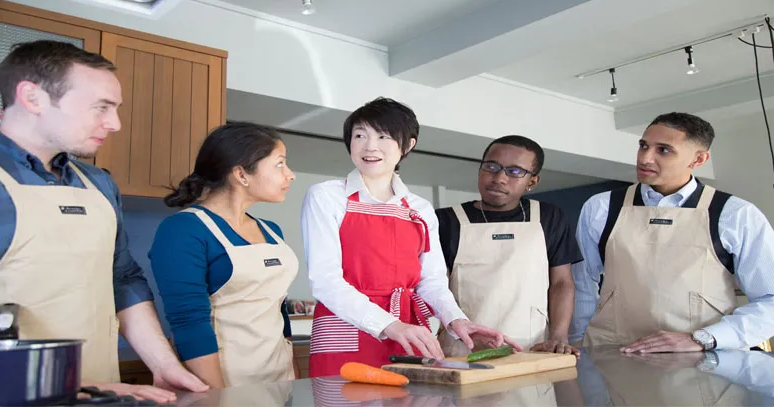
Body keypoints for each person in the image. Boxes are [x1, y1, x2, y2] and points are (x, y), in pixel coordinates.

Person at [0, 40, 207, 402]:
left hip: (102, 391)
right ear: (32, 97)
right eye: (101, 108)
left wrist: (164, 364)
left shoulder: (99, 183)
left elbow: (123, 280)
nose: (115, 123)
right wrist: (65, 388)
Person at [301, 97, 519, 378]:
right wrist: (390, 325)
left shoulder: (419, 208)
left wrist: (457, 320)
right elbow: (326, 282)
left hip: (410, 332)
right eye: (359, 135)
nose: (370, 146)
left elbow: (432, 282)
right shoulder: (327, 196)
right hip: (346, 331)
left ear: (408, 145)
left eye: (384, 136)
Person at [572, 112, 774, 352]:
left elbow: (769, 300)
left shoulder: (736, 214)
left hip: (704, 360)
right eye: (643, 146)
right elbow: (582, 284)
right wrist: (578, 345)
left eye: (664, 150)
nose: (645, 158)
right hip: (614, 354)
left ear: (698, 159)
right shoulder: (600, 207)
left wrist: (703, 339)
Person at [149, 122, 298, 388]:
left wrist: (292, 374)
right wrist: (216, 398)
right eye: (279, 164)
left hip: (279, 380)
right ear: (241, 174)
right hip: (221, 383)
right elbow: (189, 323)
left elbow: (280, 312)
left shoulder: (272, 231)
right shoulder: (183, 230)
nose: (290, 174)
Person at [435, 136, 582, 356]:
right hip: (464, 349)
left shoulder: (550, 217)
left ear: (532, 181)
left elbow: (562, 283)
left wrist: (559, 335)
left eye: (515, 172)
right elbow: (435, 288)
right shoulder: (445, 220)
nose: (499, 178)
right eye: (491, 167)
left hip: (532, 346)